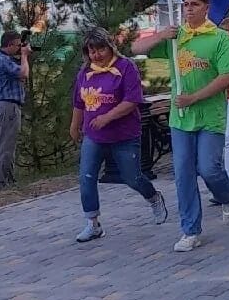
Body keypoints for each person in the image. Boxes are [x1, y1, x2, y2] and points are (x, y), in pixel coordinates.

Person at [133, 0, 229, 252]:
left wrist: (195, 97)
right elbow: (135, 47)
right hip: (181, 118)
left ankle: (227, 194)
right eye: (185, 5)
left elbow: (227, 76)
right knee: (183, 174)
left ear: (206, 8)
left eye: (194, 5)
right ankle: (190, 229)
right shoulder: (175, 37)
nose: (189, 9)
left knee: (209, 168)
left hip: (210, 115)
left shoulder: (219, 37)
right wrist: (160, 35)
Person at [70, 27, 167, 242]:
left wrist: (108, 117)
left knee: (131, 177)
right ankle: (93, 223)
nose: (97, 55)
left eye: (101, 49)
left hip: (124, 135)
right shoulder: (85, 72)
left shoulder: (125, 67)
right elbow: (79, 102)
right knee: (86, 177)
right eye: (92, 51)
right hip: (94, 136)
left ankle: (153, 197)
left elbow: (132, 100)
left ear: (110, 47)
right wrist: (74, 126)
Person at [0, 30, 31, 190]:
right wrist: (25, 57)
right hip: (7, 106)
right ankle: (1, 183)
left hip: (0, 105)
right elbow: (23, 73)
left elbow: (16, 75)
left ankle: (8, 179)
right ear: (10, 44)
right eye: (18, 45)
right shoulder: (2, 59)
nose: (20, 49)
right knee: (5, 146)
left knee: (6, 144)